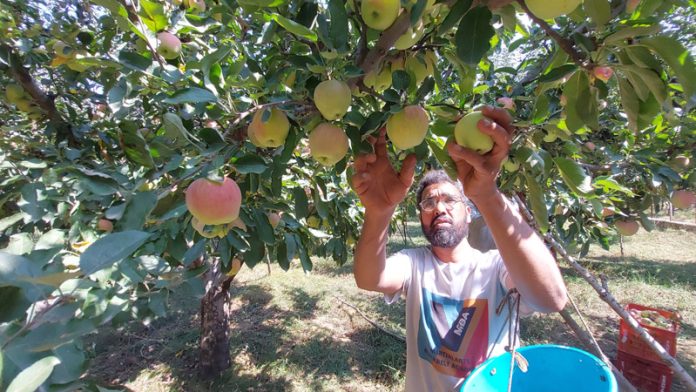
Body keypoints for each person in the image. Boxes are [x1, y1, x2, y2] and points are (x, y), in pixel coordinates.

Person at [351, 106, 567, 391]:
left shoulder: (495, 267)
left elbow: (551, 299)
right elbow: (369, 278)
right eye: (428, 203)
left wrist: (486, 193)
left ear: (468, 211)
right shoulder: (414, 264)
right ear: (421, 217)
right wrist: (379, 212)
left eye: (450, 200)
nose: (439, 207)